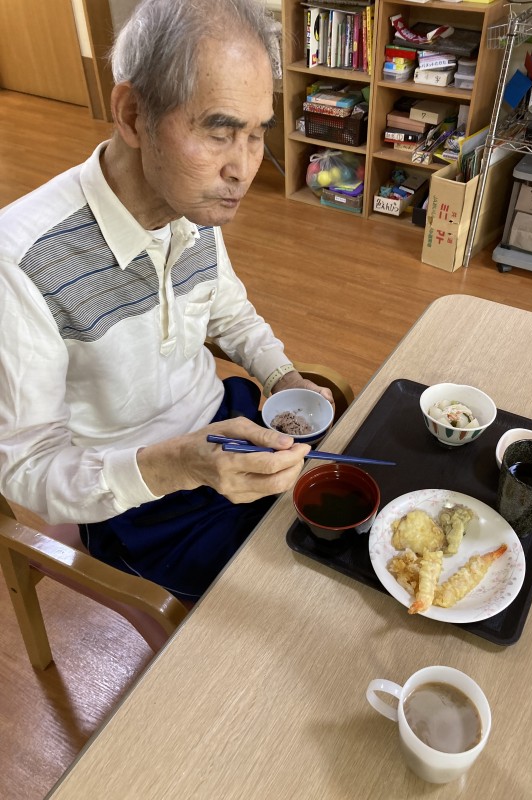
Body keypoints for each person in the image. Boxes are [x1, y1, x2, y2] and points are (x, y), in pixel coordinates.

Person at [0, 0, 333, 602]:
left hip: (226, 424)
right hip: (135, 498)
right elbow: (26, 468)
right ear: (133, 115)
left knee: (346, 528)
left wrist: (284, 377)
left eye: (257, 133)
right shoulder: (21, 262)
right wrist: (180, 464)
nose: (244, 168)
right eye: (219, 132)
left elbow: (227, 310)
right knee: (290, 599)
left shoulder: (191, 203)